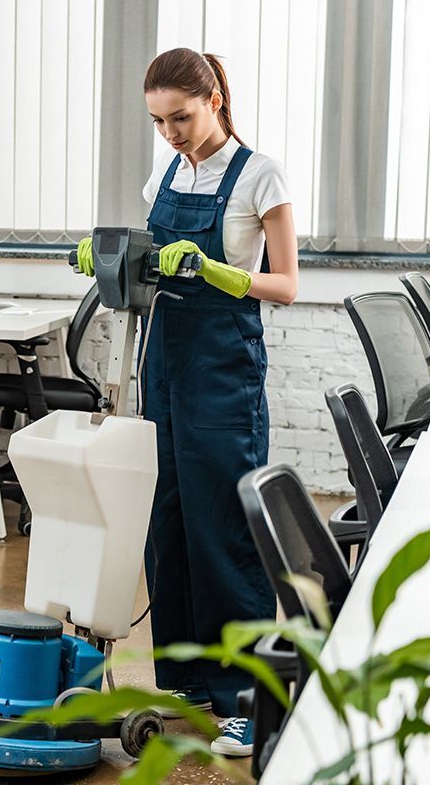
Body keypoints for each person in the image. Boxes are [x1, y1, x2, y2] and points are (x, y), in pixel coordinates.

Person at [80, 47, 298, 757]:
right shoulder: (167, 172)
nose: (170, 133)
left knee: (223, 527)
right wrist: (109, 255)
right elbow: (150, 263)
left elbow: (288, 285)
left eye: (181, 117)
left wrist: (222, 274)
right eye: (158, 121)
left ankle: (243, 698)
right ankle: (181, 677)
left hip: (223, 367)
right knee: (166, 518)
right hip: (163, 361)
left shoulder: (260, 175)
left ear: (215, 102)